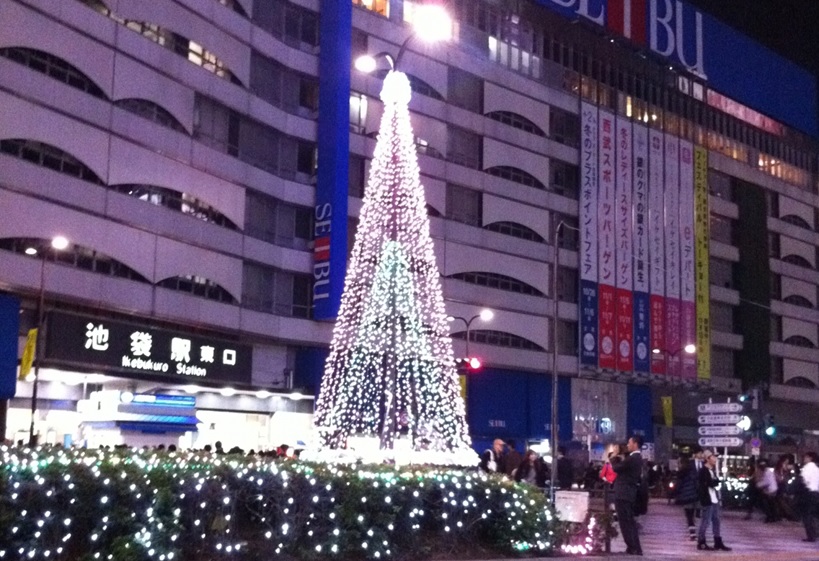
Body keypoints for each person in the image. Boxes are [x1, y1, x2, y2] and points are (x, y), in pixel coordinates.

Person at [613, 435, 644, 556]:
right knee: (629, 521)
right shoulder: (635, 458)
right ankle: (634, 547)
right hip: (628, 493)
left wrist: (615, 456)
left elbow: (616, 468)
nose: (627, 445)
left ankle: (633, 547)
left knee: (626, 522)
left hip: (624, 494)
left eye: (629, 443)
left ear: (635, 444)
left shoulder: (633, 458)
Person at [696, 450, 731, 551]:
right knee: (705, 521)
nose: (715, 459)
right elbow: (708, 484)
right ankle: (701, 542)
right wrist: (715, 482)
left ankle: (718, 542)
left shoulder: (712, 470)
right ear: (707, 459)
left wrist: (715, 482)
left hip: (714, 499)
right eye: (713, 457)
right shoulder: (703, 471)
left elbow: (714, 483)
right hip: (708, 500)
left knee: (716, 521)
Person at [674, 455, 700, 541]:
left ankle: (692, 534)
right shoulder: (693, 471)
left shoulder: (681, 473)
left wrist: (677, 494)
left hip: (686, 497)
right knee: (695, 515)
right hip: (695, 495)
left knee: (689, 516)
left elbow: (678, 486)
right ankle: (695, 531)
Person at [800, 451, 819, 542]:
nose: (804, 459)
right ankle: (815, 533)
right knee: (813, 514)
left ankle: (811, 536)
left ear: (810, 458)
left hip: (808, 493)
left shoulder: (807, 468)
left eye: (806, 457)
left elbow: (804, 481)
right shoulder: (816, 468)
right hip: (816, 493)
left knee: (807, 515)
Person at [757, 458, 779, 522]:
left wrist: (758, 485)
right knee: (771, 504)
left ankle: (770, 516)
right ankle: (772, 517)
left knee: (766, 503)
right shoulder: (768, 471)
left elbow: (766, 482)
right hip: (773, 489)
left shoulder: (767, 473)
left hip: (771, 490)